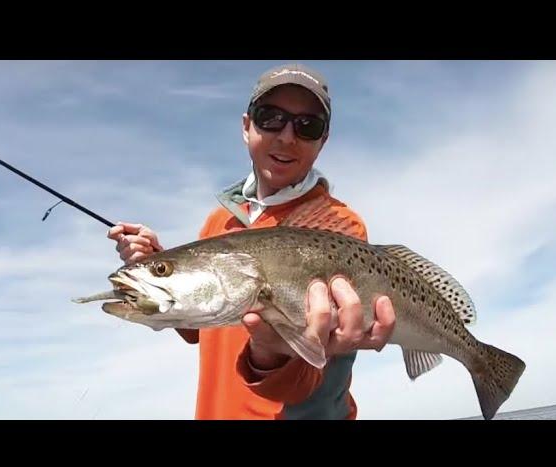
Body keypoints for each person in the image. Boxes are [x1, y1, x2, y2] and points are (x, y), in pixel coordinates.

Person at [107, 63, 396, 419]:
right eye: (270, 117)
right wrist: (159, 270)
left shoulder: (339, 227)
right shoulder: (218, 222)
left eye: (308, 126)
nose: (287, 136)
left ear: (323, 141)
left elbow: (311, 375)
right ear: (247, 127)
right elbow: (205, 325)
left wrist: (270, 354)